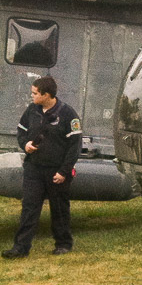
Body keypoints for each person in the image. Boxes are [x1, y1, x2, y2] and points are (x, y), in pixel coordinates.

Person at [2, 76, 82, 258]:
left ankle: (63, 244)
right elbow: (21, 131)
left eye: (35, 93)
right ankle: (20, 248)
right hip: (34, 168)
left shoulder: (68, 114)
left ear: (46, 95)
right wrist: (25, 144)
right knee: (29, 208)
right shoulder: (32, 110)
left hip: (57, 171)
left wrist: (63, 171)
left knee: (59, 208)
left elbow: (75, 146)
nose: (32, 96)